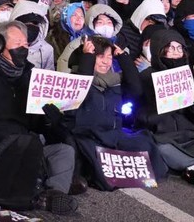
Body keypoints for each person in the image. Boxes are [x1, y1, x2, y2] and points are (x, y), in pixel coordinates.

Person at [0, 21, 78, 213]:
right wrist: (5, 147)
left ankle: (54, 193)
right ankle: (34, 191)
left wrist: (48, 120)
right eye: (17, 44)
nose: (24, 49)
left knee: (64, 151)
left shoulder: (30, 77)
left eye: (26, 45)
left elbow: (35, 124)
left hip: (27, 145)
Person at [65, 35, 167, 188]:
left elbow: (136, 89)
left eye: (109, 57)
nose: (106, 62)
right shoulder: (76, 79)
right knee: (88, 155)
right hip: (88, 136)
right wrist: (87, 58)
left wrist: (123, 57)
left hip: (113, 134)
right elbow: (81, 90)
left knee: (144, 142)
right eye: (100, 57)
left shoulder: (114, 81)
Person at [137, 29, 194, 172]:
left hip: (189, 137)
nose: (176, 51)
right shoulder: (146, 77)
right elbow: (142, 119)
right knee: (161, 149)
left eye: (179, 47)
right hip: (163, 138)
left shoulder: (187, 75)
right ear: (159, 50)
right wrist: (168, 105)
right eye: (170, 47)